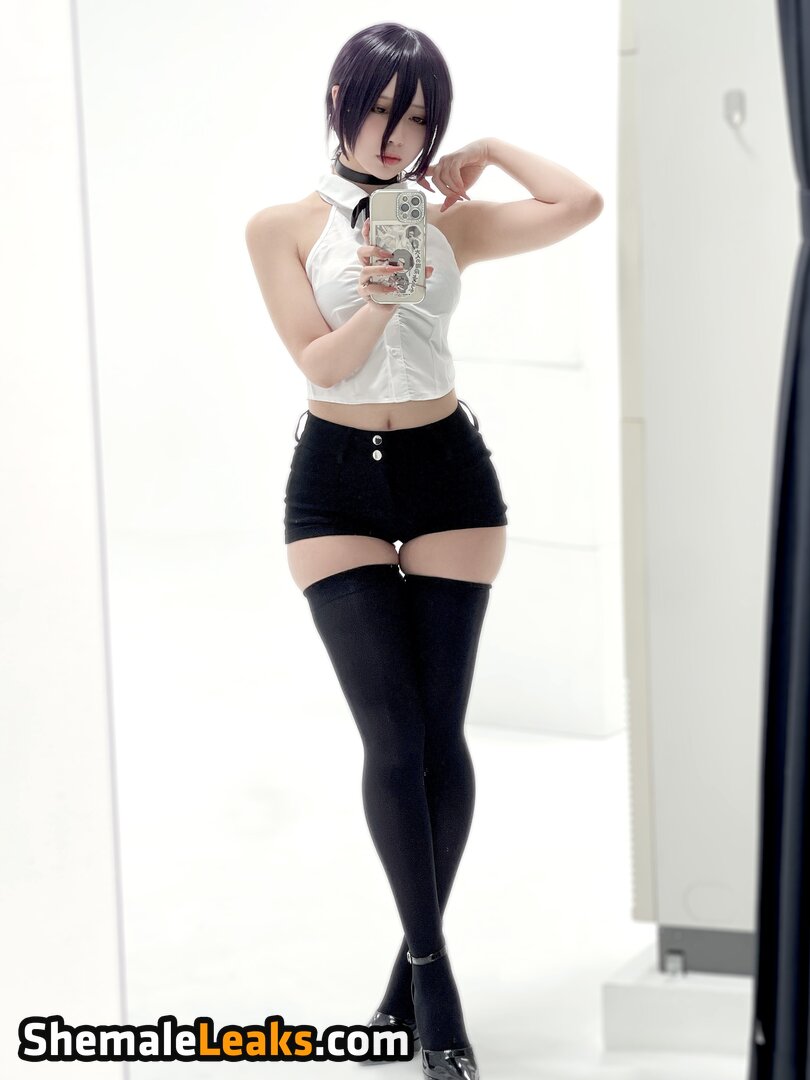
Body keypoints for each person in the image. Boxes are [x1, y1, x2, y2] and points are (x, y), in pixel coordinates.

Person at [245, 22, 603, 1079]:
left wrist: (486, 149)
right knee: (393, 742)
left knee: (440, 737)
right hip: (335, 485)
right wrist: (381, 300)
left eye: (419, 118)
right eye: (380, 110)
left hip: (450, 476)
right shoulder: (280, 227)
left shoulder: (452, 226)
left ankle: (409, 975)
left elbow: (579, 204)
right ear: (339, 102)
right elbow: (319, 361)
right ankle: (432, 974)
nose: (397, 135)